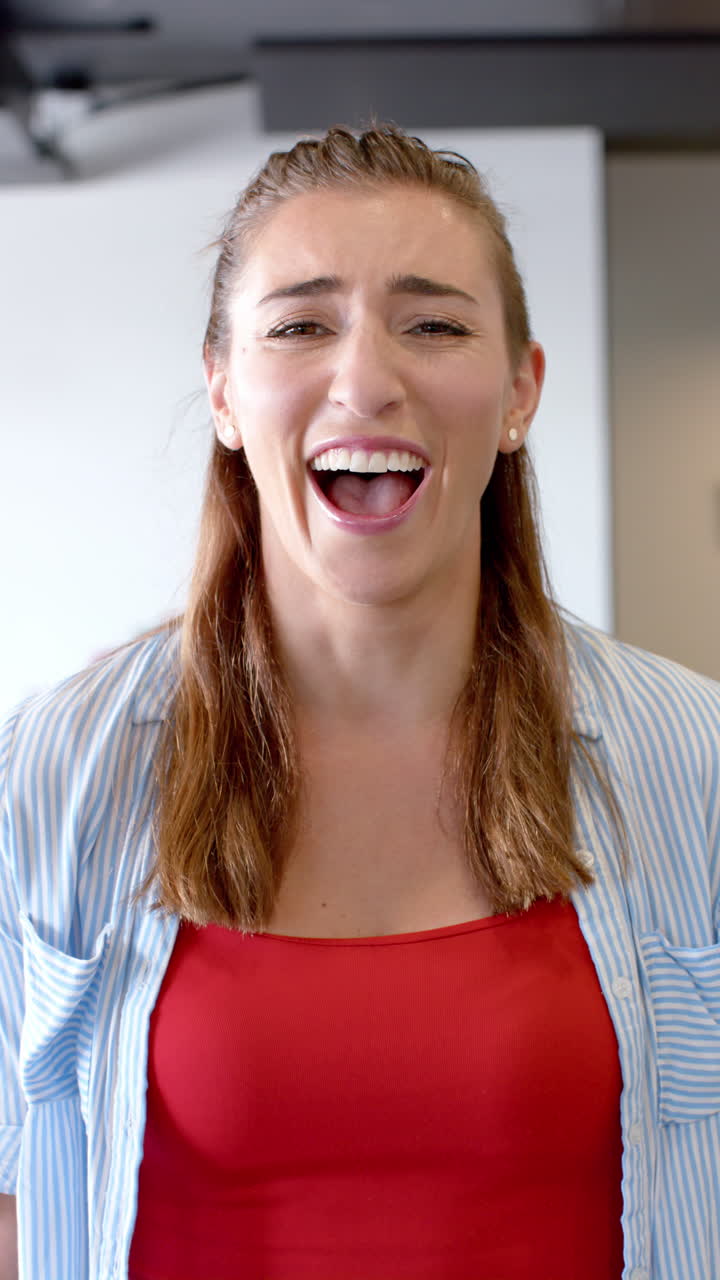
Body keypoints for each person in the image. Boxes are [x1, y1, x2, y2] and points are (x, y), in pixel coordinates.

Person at [0, 122, 718, 1280]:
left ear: (522, 390)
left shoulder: (694, 764)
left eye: (433, 323)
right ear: (224, 390)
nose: (368, 378)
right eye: (300, 324)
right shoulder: (51, 771)